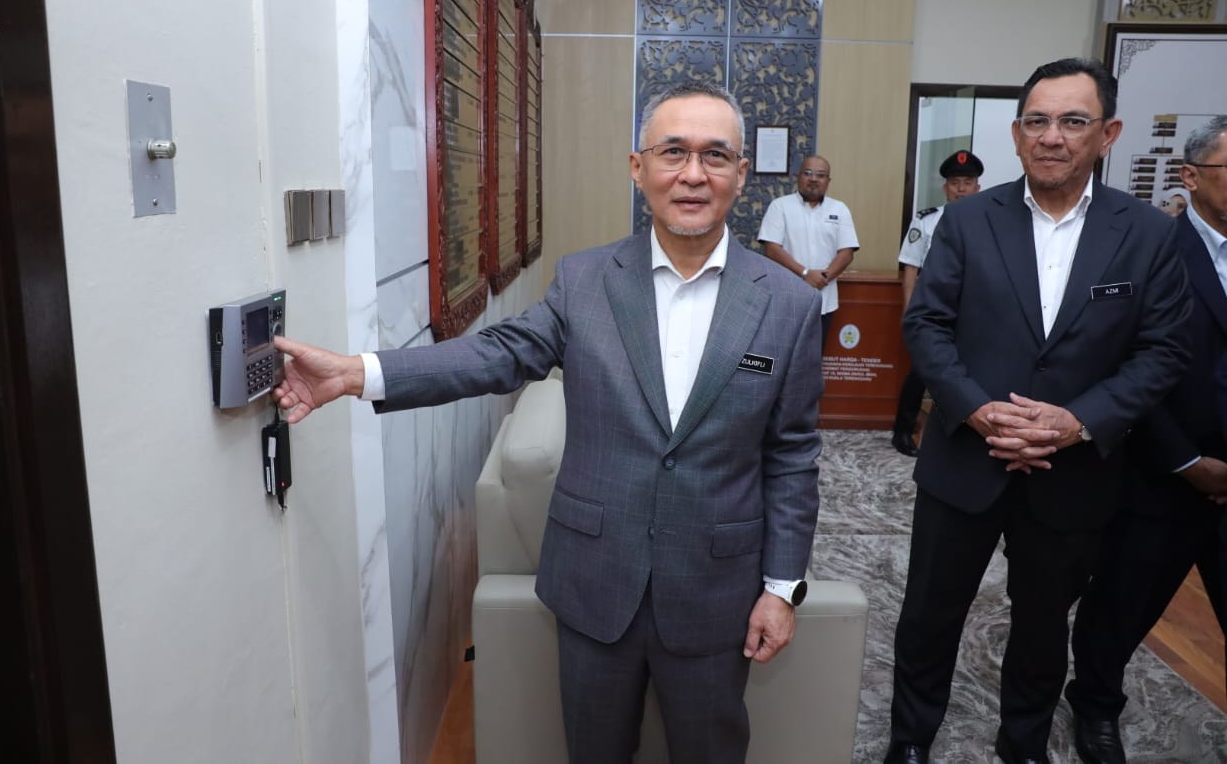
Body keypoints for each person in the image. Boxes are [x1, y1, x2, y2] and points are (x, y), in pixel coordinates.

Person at [271, 82, 825, 764]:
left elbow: (792, 455)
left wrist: (781, 588)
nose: (692, 173)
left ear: (740, 175)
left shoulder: (788, 305)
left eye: (715, 155)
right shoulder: (584, 281)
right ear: (638, 167)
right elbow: (495, 355)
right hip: (596, 583)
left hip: (717, 592)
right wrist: (357, 373)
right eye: (673, 151)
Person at [883, 57, 1193, 764]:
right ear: (1017, 134)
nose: (1053, 136)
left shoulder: (1147, 233)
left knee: (1044, 623)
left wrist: (1075, 422)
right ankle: (910, 738)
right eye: (1037, 121)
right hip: (966, 461)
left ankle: (1023, 742)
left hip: (1073, 471)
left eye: (1073, 121)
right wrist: (977, 409)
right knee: (929, 614)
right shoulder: (966, 221)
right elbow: (926, 324)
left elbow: (1163, 350)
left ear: (1108, 133)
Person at [1065, 115, 1227, 764]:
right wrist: (1185, 459)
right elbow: (1126, 363)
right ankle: (1095, 706)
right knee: (1120, 605)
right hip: (1161, 469)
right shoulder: (1153, 249)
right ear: (1191, 177)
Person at [891, 149, 985, 457]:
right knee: (923, 370)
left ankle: (959, 431)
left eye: (967, 182)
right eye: (955, 183)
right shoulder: (927, 221)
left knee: (969, 372)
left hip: (973, 311)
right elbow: (910, 268)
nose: (961, 189)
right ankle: (903, 431)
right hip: (934, 311)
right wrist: (909, 312)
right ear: (945, 187)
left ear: (977, 187)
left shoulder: (989, 223)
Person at [757, 155, 859, 349]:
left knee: (814, 357)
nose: (814, 179)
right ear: (798, 176)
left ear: (828, 181)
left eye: (820, 175)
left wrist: (823, 278)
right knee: (781, 354)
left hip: (824, 301)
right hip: (786, 300)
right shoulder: (780, 206)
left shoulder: (840, 209)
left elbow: (847, 252)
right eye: (808, 173)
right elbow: (771, 249)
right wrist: (805, 274)